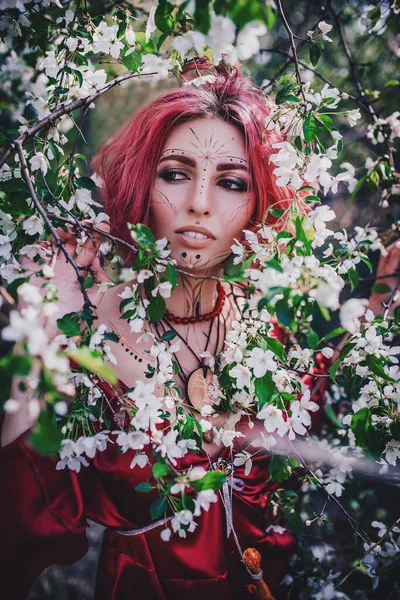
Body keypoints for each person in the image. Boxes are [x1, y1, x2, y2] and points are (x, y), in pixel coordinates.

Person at [0, 61, 398, 600]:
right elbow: (23, 522)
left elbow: (316, 413)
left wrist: (378, 307)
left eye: (232, 182)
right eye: (175, 173)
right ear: (144, 181)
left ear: (258, 202)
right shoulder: (90, 337)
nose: (200, 203)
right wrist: (36, 348)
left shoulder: (258, 318)